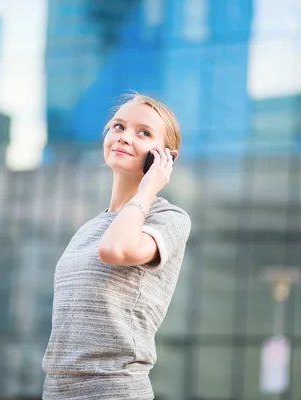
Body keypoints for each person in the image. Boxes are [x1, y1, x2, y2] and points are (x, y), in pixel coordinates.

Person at [42, 93, 191, 399]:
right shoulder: (89, 228)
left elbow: (116, 251)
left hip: (115, 389)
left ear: (165, 157)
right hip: (59, 391)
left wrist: (149, 187)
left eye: (143, 133)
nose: (124, 137)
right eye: (118, 126)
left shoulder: (168, 218)